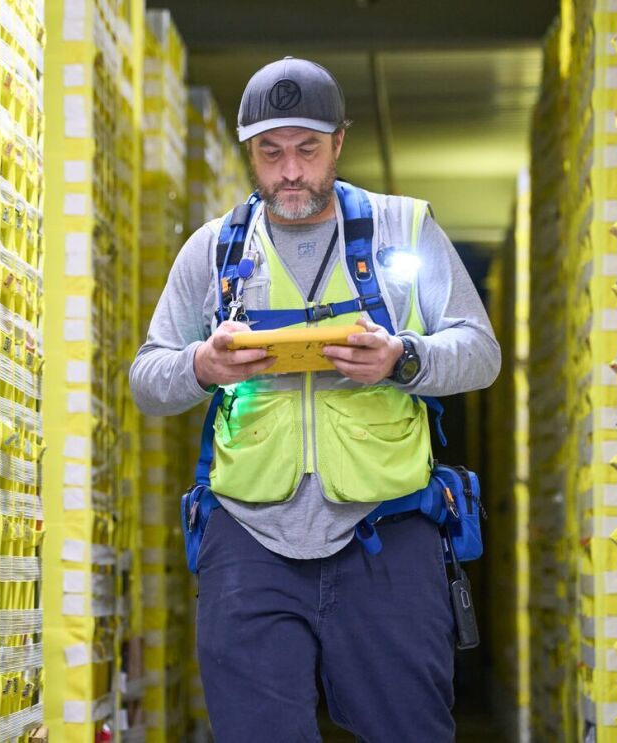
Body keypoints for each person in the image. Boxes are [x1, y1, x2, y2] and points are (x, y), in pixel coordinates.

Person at [128, 57, 501, 741]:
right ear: (250, 152)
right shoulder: (212, 252)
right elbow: (147, 377)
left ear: (340, 140)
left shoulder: (404, 231)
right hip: (250, 536)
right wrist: (202, 364)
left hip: (386, 530)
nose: (290, 172)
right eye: (271, 154)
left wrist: (402, 357)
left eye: (307, 149)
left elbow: (480, 351)